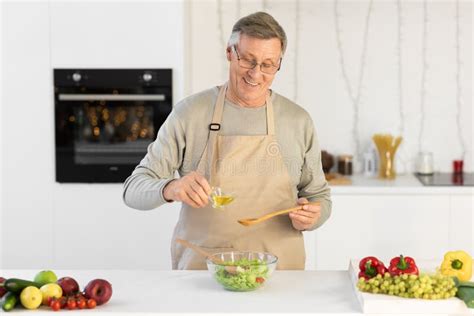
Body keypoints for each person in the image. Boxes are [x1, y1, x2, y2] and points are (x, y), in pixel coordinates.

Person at [123, 11, 331, 270]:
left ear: (279, 64)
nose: (256, 74)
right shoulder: (190, 113)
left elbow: (319, 196)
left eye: (268, 65)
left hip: (279, 276)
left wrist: (313, 216)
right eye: (248, 60)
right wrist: (171, 187)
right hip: (203, 273)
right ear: (230, 53)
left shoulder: (297, 121)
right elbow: (133, 189)